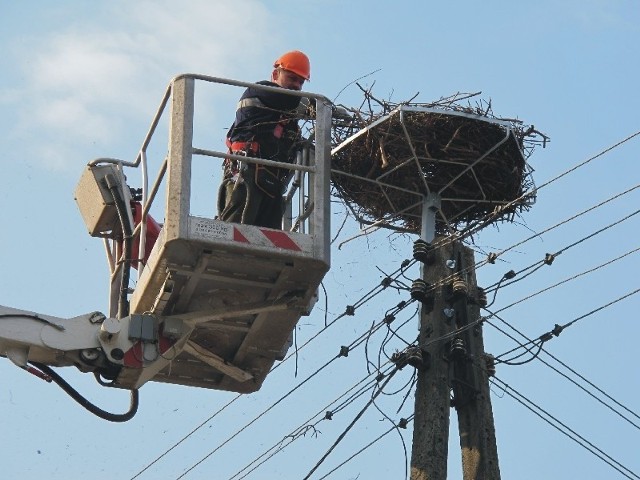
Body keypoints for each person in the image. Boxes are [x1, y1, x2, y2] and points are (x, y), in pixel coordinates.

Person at [218, 50, 311, 229]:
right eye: (292, 78)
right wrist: (326, 109)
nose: (297, 86)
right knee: (234, 230)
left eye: (300, 82)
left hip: (271, 183)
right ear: (275, 74)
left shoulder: (287, 119)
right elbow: (296, 102)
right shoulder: (261, 91)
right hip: (246, 171)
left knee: (269, 239)